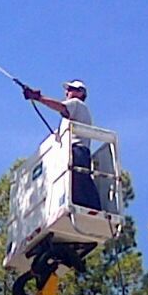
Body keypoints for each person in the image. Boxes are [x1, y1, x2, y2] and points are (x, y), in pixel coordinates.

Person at [21, 78, 102, 210]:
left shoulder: (77, 104)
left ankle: (93, 208)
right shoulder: (72, 115)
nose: (66, 92)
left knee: (80, 179)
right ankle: (85, 207)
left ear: (80, 93)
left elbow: (62, 107)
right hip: (72, 151)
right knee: (74, 183)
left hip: (77, 150)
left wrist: (38, 98)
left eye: (70, 89)